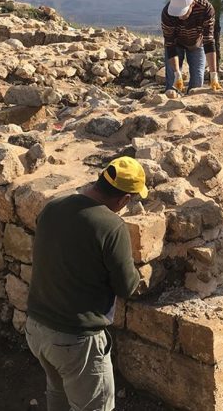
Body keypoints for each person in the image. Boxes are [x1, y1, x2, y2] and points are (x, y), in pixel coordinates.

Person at [25, 156, 147, 411]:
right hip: (75, 340)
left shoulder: (53, 207)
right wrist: (140, 273)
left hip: (37, 328)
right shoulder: (111, 226)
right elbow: (126, 287)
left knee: (57, 390)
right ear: (124, 199)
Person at [161, 0, 221, 94]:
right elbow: (170, 45)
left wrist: (213, 74)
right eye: (177, 13)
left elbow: (209, 41)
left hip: (197, 44)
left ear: (192, 4)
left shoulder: (206, 9)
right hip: (176, 45)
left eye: (183, 12)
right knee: (172, 84)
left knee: (197, 83)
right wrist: (177, 73)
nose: (180, 16)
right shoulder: (167, 13)